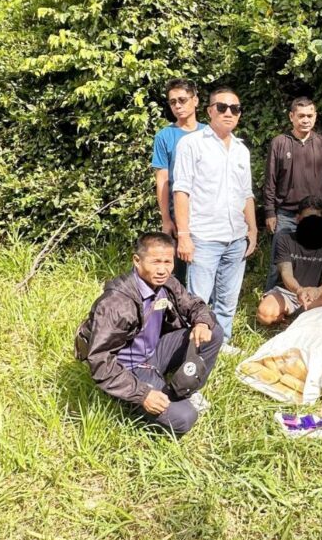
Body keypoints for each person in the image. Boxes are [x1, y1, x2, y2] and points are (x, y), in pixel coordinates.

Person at [74, 232, 223, 436]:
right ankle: (132, 403)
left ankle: (187, 389)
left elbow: (193, 304)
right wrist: (142, 394)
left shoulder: (166, 283)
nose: (162, 269)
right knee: (185, 418)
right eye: (155, 262)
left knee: (213, 331)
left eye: (167, 262)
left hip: (154, 352)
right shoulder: (116, 304)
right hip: (128, 368)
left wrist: (202, 322)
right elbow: (100, 361)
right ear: (137, 261)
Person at [172, 87, 257, 352]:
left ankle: (222, 343)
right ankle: (195, 348)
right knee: (198, 299)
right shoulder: (192, 144)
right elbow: (181, 190)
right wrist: (183, 235)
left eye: (235, 108)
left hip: (236, 237)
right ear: (210, 111)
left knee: (228, 299)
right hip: (204, 236)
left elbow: (246, 193)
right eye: (222, 107)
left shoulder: (241, 150)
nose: (229, 112)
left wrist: (253, 230)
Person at [262, 97, 322, 291]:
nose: (305, 120)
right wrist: (269, 212)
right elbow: (270, 180)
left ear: (315, 116)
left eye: (310, 116)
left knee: (315, 258)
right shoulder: (279, 142)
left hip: (315, 215)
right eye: (301, 115)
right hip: (286, 214)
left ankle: (310, 298)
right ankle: (270, 296)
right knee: (278, 263)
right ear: (291, 116)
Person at [151, 79, 205, 284]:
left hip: (208, 215)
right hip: (179, 215)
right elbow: (163, 180)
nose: (177, 106)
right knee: (177, 276)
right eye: (173, 102)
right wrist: (166, 219)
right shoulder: (165, 136)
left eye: (182, 100)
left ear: (195, 100)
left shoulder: (210, 134)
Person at [256, 196, 322, 325]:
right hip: (288, 293)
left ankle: (298, 315)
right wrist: (299, 290)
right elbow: (286, 274)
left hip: (313, 295)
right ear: (298, 218)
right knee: (264, 314)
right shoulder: (285, 240)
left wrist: (317, 291)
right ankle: (294, 317)